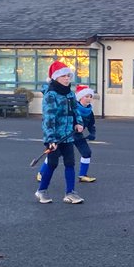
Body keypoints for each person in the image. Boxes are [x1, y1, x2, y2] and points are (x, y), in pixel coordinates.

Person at [34, 61, 84, 205]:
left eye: (68, 76)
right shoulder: (51, 95)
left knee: (70, 163)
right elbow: (48, 119)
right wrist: (51, 139)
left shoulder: (70, 93)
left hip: (68, 136)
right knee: (52, 164)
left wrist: (79, 123)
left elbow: (75, 110)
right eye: (63, 76)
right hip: (54, 137)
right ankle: (41, 191)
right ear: (56, 78)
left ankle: (70, 193)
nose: (67, 79)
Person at [72, 84, 97, 183]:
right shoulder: (73, 109)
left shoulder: (89, 112)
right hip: (67, 135)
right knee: (55, 154)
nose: (89, 99)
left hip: (78, 135)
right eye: (86, 96)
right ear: (80, 97)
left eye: (90, 96)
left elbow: (91, 125)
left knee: (86, 153)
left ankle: (82, 175)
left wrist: (92, 133)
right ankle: (42, 173)